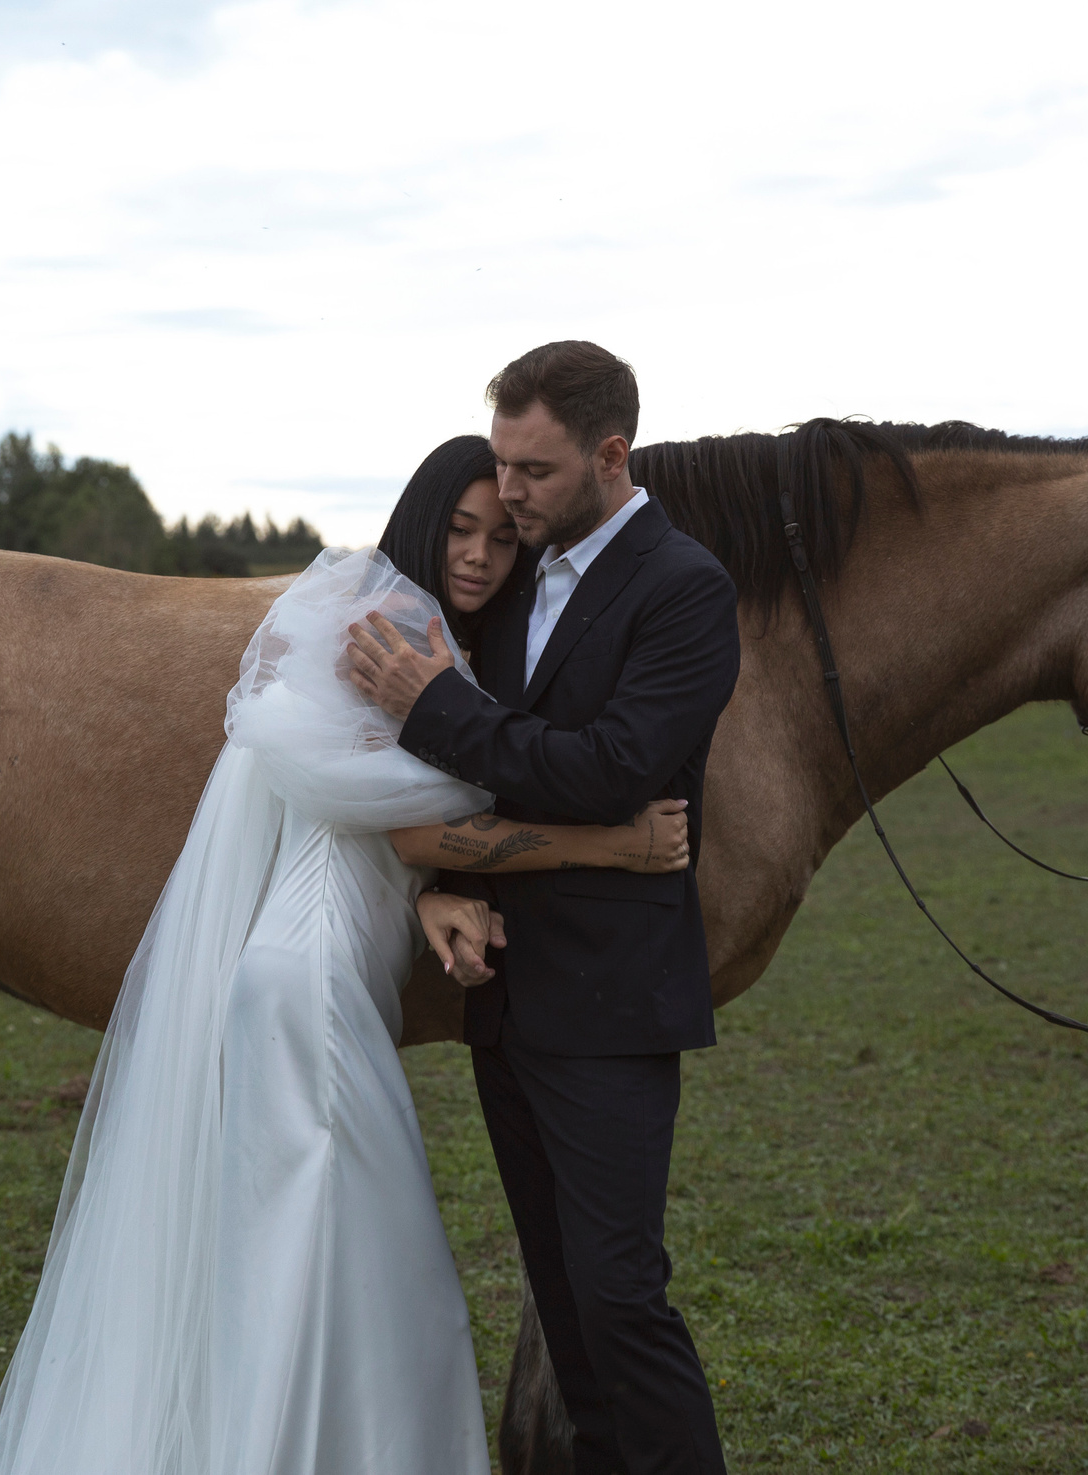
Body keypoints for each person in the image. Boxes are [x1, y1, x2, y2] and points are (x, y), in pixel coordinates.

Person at [0, 433, 691, 1475]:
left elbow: (394, 816)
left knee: (305, 1267)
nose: (480, 555)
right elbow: (408, 824)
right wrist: (613, 845)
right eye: (459, 530)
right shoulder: (389, 628)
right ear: (420, 521)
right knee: (367, 1278)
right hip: (310, 988)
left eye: (499, 535)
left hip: (311, 977)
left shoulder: (437, 637)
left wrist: (441, 890)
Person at [347, 342, 740, 1475]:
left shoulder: (682, 586)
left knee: (622, 1300)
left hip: (612, 1004)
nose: (505, 492)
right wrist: (449, 881)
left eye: (532, 470)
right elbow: (503, 781)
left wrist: (427, 708)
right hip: (506, 998)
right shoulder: (527, 575)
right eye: (502, 464)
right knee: (567, 1311)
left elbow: (611, 767)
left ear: (611, 456)